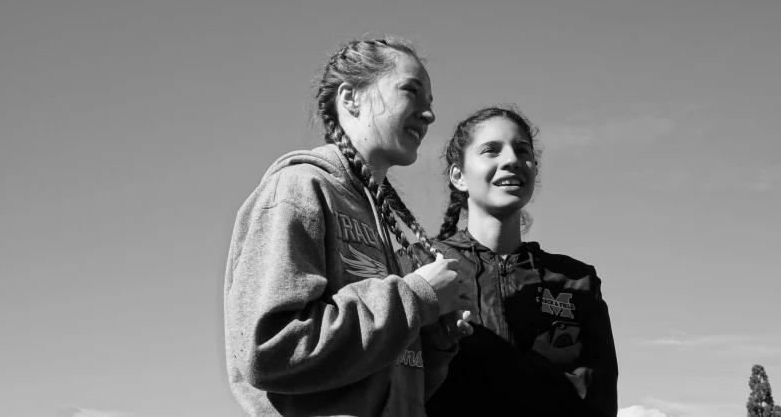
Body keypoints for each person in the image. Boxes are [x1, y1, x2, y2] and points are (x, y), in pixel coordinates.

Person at [224, 36, 474, 417]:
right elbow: (269, 350)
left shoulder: (389, 224)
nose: (429, 115)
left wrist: (433, 343)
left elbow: (384, 384)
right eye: (411, 91)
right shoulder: (299, 188)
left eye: (432, 103)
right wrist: (417, 296)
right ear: (351, 97)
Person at [424, 105, 619, 417]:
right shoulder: (421, 266)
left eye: (522, 150)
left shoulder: (576, 280)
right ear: (458, 176)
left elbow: (600, 397)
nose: (512, 160)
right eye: (491, 150)